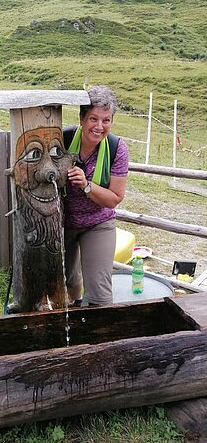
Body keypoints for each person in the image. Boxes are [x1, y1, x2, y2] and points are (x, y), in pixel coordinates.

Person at [63, 85, 129, 307]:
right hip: (61, 222)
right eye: (93, 119)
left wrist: (86, 185)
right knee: (68, 279)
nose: (99, 126)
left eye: (106, 120)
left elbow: (114, 198)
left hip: (97, 222)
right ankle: (75, 306)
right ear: (81, 119)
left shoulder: (116, 148)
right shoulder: (63, 139)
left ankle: (98, 334)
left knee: (100, 295)